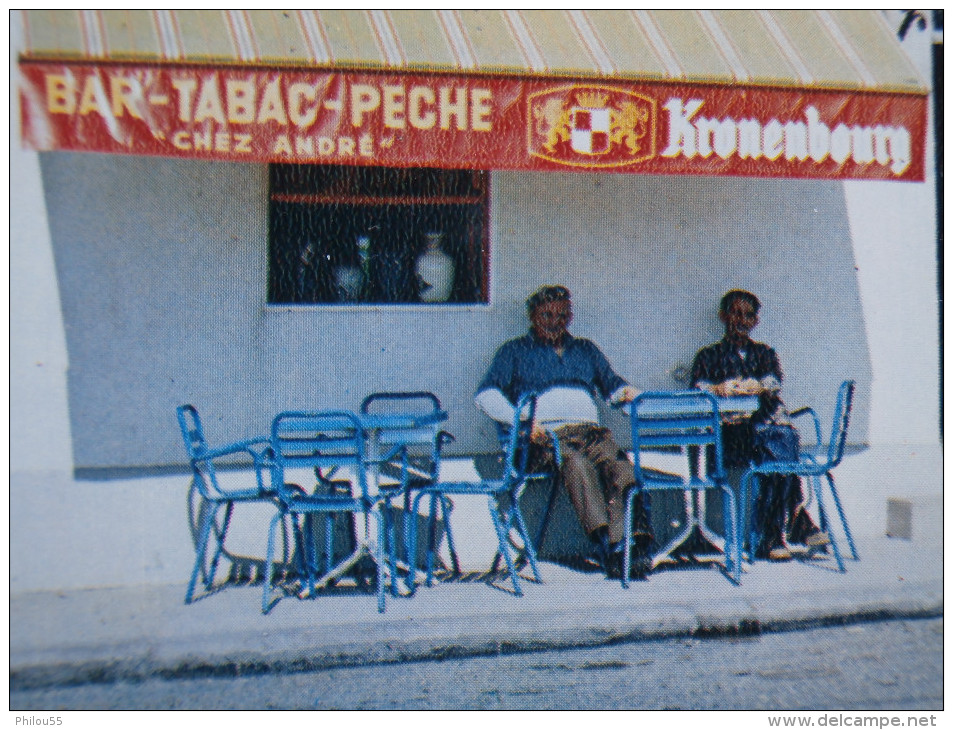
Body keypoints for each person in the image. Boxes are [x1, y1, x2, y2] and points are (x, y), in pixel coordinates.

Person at [475, 285, 653, 579]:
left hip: (591, 433)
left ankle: (630, 544)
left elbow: (613, 388)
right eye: (547, 314)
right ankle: (608, 547)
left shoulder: (585, 349)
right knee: (578, 465)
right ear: (532, 316)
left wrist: (630, 393)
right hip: (545, 438)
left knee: (621, 468)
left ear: (570, 317)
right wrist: (521, 423)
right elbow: (486, 394)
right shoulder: (515, 351)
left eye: (562, 315)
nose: (554, 321)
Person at [690, 289, 829, 561]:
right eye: (735, 313)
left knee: (779, 443)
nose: (741, 320)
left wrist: (759, 386)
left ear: (756, 321)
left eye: (748, 315)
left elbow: (773, 381)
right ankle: (795, 522)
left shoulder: (764, 353)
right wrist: (718, 389)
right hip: (732, 438)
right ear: (723, 316)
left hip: (766, 434)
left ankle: (776, 534)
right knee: (780, 446)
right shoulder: (709, 355)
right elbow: (697, 388)